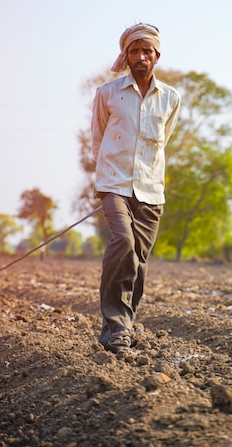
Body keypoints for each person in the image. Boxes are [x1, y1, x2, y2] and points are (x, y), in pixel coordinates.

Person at [91, 23, 181, 353]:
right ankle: (115, 328)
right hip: (114, 184)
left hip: (150, 189)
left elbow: (162, 142)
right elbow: (97, 139)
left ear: (157, 56)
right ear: (126, 56)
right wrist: (100, 182)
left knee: (139, 261)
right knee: (124, 243)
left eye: (147, 51)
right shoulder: (107, 94)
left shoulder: (170, 98)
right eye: (134, 51)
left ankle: (122, 325)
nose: (140, 56)